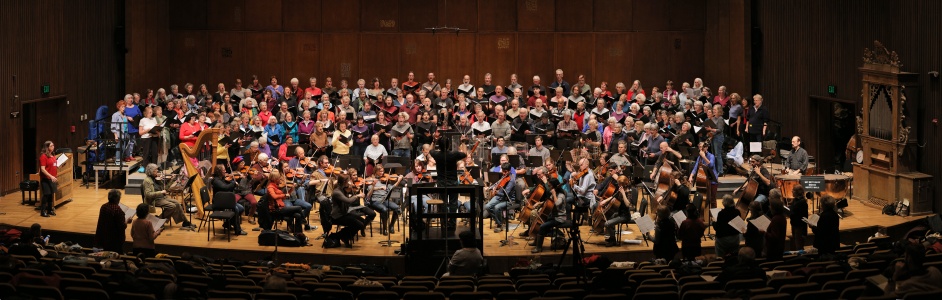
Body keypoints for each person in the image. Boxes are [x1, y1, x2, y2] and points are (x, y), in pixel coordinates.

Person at [524, 167, 567, 253]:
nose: (549, 187)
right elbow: (548, 201)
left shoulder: (561, 195)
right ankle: (536, 241)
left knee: (542, 226)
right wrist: (539, 203)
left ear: (554, 187)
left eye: (550, 186)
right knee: (539, 221)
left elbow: (557, 204)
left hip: (559, 218)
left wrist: (553, 194)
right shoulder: (554, 194)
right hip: (554, 216)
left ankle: (539, 248)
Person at [325, 174, 370, 248]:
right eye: (348, 181)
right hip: (337, 216)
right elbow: (348, 201)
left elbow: (349, 199)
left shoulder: (343, 189)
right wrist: (357, 196)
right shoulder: (337, 192)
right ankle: (338, 235)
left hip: (344, 214)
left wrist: (352, 190)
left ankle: (345, 236)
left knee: (363, 222)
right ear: (344, 182)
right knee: (359, 224)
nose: (350, 182)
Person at [143, 163, 192, 228]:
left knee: (177, 203)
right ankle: (159, 220)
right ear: (151, 171)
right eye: (155, 170)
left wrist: (172, 180)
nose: (157, 171)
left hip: (162, 197)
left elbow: (166, 189)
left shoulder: (156, 179)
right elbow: (148, 194)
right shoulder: (147, 181)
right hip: (154, 200)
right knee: (172, 206)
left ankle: (185, 221)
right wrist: (160, 192)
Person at [264, 170, 306, 234]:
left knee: (298, 215)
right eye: (279, 178)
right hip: (276, 209)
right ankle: (304, 222)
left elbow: (283, 198)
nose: (280, 179)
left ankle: (298, 233)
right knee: (299, 208)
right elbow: (274, 196)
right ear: (274, 179)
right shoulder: (270, 187)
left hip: (281, 207)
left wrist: (291, 190)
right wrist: (284, 195)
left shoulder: (276, 187)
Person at [209, 165, 248, 235]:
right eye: (224, 170)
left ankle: (227, 223)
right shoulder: (216, 181)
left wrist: (236, 179)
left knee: (241, 208)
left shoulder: (222, 178)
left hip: (226, 201)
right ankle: (238, 230)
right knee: (236, 209)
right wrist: (233, 183)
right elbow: (225, 188)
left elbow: (228, 186)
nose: (225, 171)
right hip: (219, 203)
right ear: (219, 171)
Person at [366, 166, 402, 236]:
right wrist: (378, 187)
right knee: (384, 209)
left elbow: (393, 187)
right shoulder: (371, 179)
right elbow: (369, 193)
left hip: (384, 200)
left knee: (397, 208)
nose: (382, 173)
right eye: (380, 171)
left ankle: (391, 225)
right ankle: (385, 229)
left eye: (383, 171)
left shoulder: (385, 181)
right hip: (375, 201)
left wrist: (398, 181)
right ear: (375, 171)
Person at [484, 163, 516, 233]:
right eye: (503, 171)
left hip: (508, 199)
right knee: (487, 206)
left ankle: (499, 224)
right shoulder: (504, 176)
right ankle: (500, 220)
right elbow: (496, 184)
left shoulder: (511, 180)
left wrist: (496, 193)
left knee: (497, 207)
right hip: (500, 197)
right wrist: (489, 188)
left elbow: (506, 193)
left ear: (509, 171)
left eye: (505, 171)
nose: (503, 173)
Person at [764, 190, 787, 261]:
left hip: (774, 249)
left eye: (771, 207)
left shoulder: (776, 219)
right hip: (780, 247)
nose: (769, 208)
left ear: (774, 208)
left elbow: (774, 237)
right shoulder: (782, 217)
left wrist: (764, 233)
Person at [38, 141, 58, 217]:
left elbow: (53, 165)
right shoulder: (43, 156)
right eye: (51, 146)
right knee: (46, 194)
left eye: (53, 145)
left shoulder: (52, 155)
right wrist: (51, 176)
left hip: (53, 178)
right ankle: (43, 211)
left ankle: (50, 210)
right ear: (47, 147)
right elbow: (42, 169)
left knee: (51, 194)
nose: (53, 147)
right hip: (46, 178)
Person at [787, 185, 809, 250]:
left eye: (793, 190)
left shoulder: (802, 202)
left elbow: (803, 216)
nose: (792, 191)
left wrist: (804, 232)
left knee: (799, 245)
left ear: (797, 192)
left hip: (799, 227)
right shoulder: (795, 200)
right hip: (794, 224)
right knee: (796, 243)